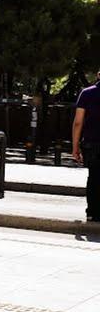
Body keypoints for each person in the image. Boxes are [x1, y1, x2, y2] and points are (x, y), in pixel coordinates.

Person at [72, 71, 100, 222]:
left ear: (98, 75)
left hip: (91, 143)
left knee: (94, 176)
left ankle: (92, 212)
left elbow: (78, 122)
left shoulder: (87, 93)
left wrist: (75, 146)